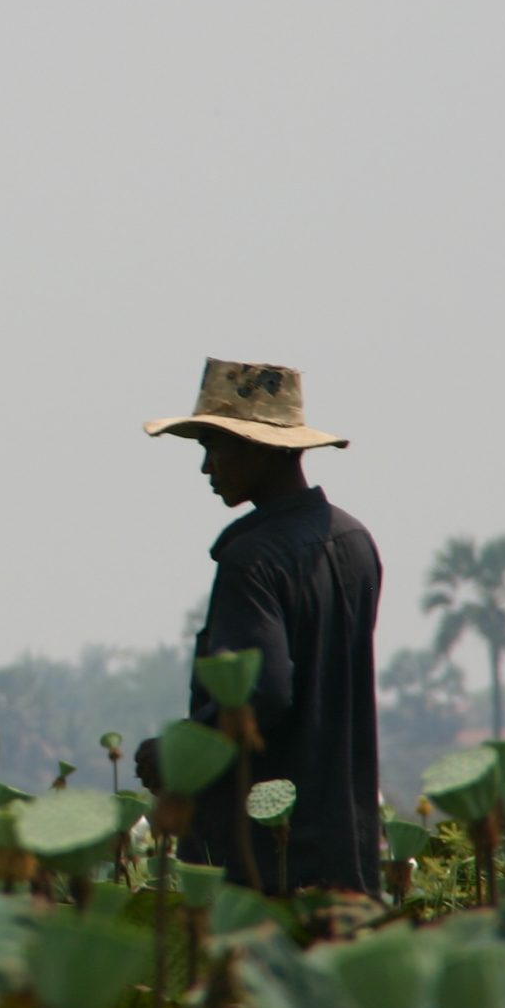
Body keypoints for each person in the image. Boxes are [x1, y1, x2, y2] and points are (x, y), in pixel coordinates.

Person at [135, 358, 382, 893]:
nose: (207, 467)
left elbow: (262, 694)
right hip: (346, 851)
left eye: (216, 447)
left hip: (268, 863)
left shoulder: (252, 559)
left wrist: (177, 756)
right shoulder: (356, 542)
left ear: (261, 449)